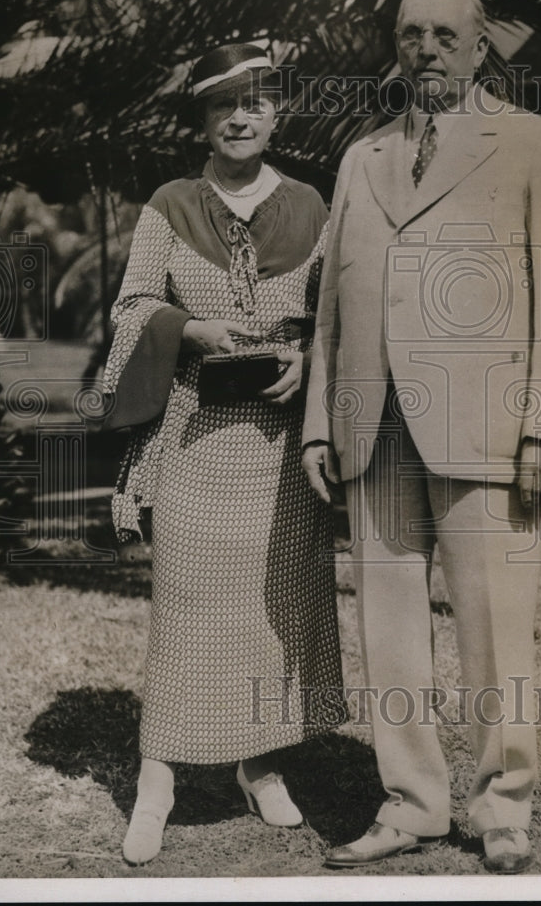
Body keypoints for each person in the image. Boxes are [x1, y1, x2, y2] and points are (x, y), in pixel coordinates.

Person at [302, 0, 541, 873]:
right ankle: (412, 802)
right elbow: (331, 313)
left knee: (494, 627)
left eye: (442, 35)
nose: (424, 48)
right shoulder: (361, 158)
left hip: (489, 429)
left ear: (478, 50)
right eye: (408, 33)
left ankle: (503, 808)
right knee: (388, 631)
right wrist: (321, 421)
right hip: (372, 428)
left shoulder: (535, 144)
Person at [103, 43, 343, 865]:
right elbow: (131, 309)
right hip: (191, 435)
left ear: (279, 115)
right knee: (186, 611)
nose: (241, 117)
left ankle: (261, 764)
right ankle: (158, 779)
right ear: (202, 119)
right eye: (223, 105)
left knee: (276, 614)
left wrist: (312, 362)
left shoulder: (315, 204)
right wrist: (190, 330)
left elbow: (338, 317)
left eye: (257, 102)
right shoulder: (169, 204)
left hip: (283, 448)